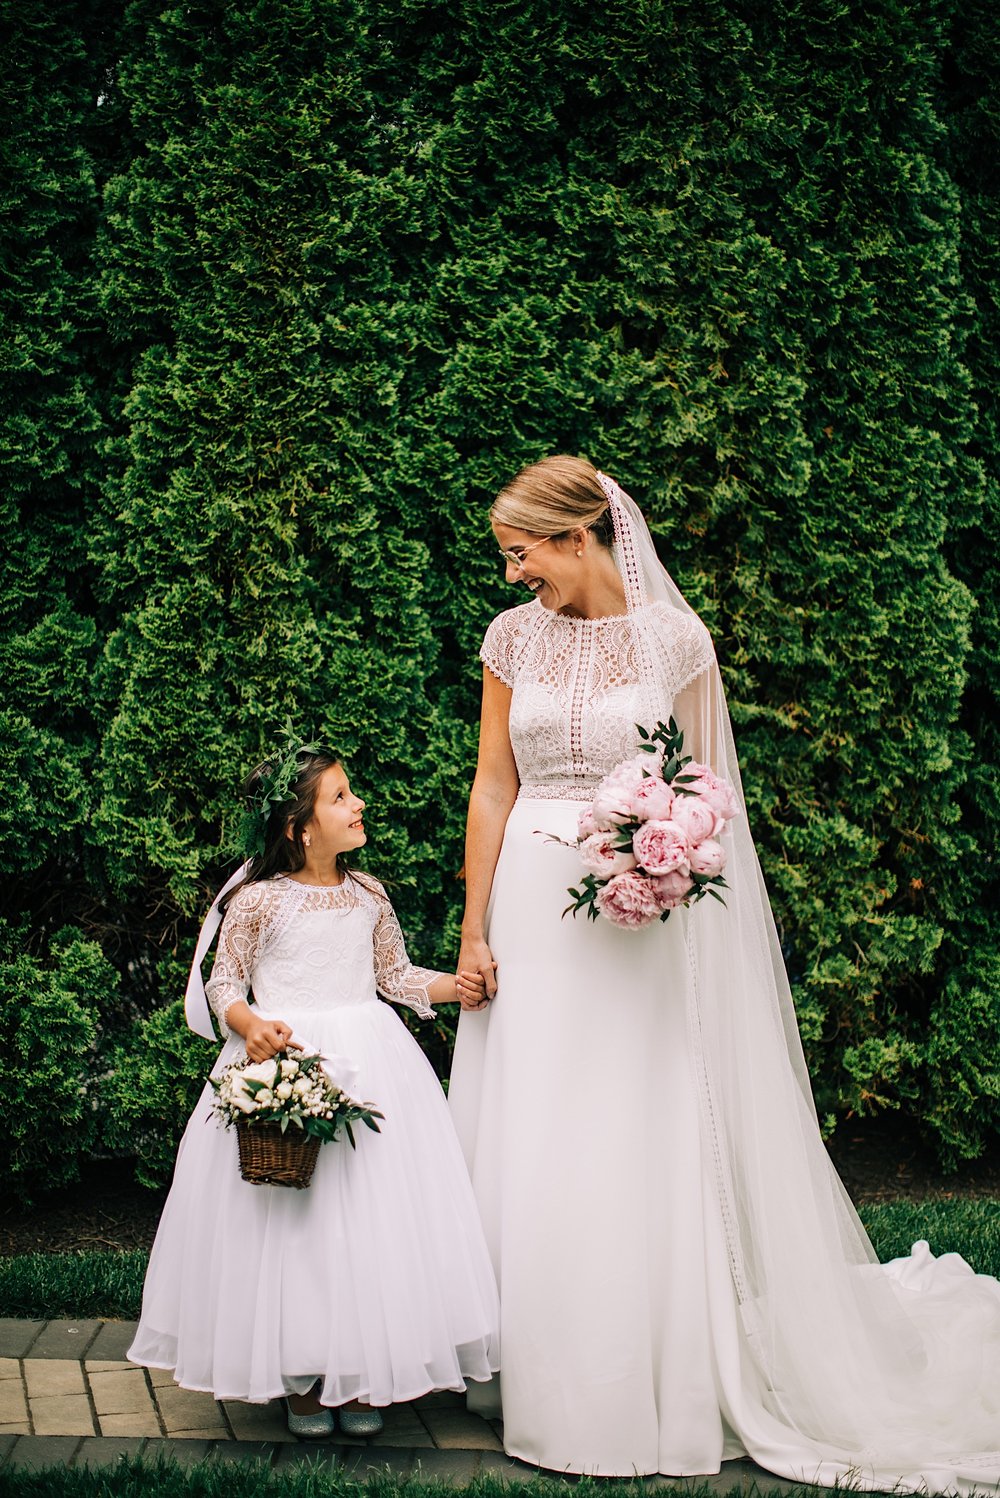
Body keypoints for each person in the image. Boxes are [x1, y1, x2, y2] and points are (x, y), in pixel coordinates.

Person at [448, 454, 1000, 1487]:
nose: (514, 574)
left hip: (636, 925)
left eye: (522, 553)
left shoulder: (676, 639)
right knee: (535, 1117)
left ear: (578, 537)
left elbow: (709, 795)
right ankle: (531, 1360)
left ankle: (647, 1369)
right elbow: (490, 787)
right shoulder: (509, 638)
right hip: (529, 903)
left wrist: (668, 862)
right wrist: (476, 927)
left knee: (628, 1123)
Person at [129, 740, 499, 1438]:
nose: (357, 804)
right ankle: (300, 1374)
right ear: (299, 827)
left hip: (373, 1068)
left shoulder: (368, 895)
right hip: (289, 1062)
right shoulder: (258, 902)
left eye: (350, 793)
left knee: (371, 1223)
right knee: (293, 1225)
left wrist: (456, 987)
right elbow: (223, 984)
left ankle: (358, 1371)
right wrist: (250, 1025)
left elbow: (395, 977)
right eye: (339, 797)